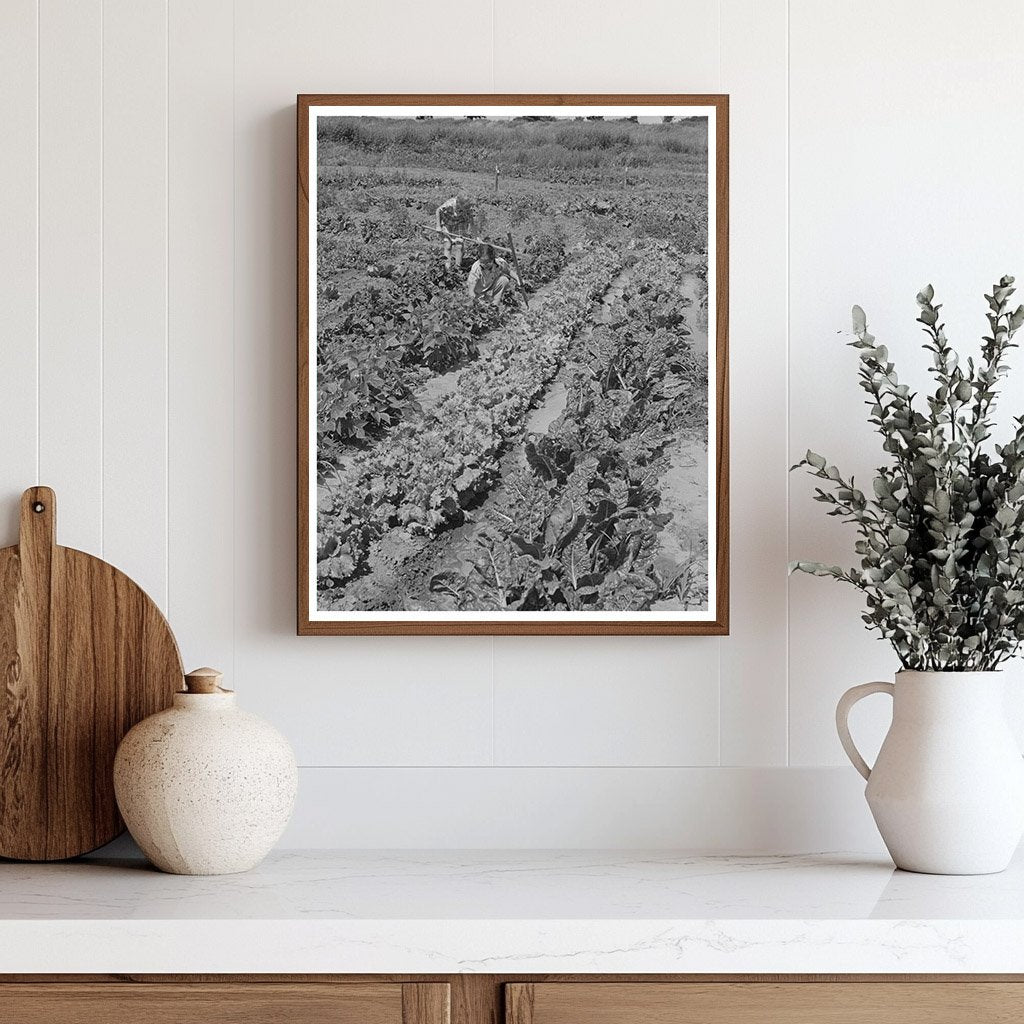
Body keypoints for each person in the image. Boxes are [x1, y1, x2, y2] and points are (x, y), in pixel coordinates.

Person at [435, 195, 477, 270]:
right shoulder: (450, 204)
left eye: (466, 208)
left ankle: (458, 268)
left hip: (460, 222)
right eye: (464, 208)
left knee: (459, 245)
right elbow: (438, 210)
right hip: (448, 221)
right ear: (458, 204)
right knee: (447, 245)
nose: (466, 209)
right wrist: (438, 226)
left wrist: (476, 236)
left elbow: (472, 222)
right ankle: (447, 268)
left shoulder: (468, 208)